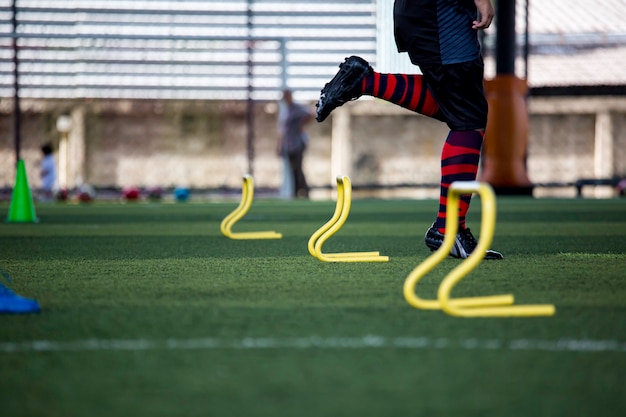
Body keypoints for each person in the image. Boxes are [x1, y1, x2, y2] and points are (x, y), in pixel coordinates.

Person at [315, 0, 502, 259]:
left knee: (460, 105)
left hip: (426, 12)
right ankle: (449, 229)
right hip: (442, 14)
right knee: (468, 118)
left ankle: (363, 81)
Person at [278, 89, 313, 198]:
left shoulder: (296, 108)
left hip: (297, 143)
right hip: (288, 145)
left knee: (298, 168)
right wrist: (280, 145)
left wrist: (301, 125)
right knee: (293, 169)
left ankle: (304, 191)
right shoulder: (286, 111)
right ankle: (296, 192)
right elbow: (283, 130)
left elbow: (310, 114)